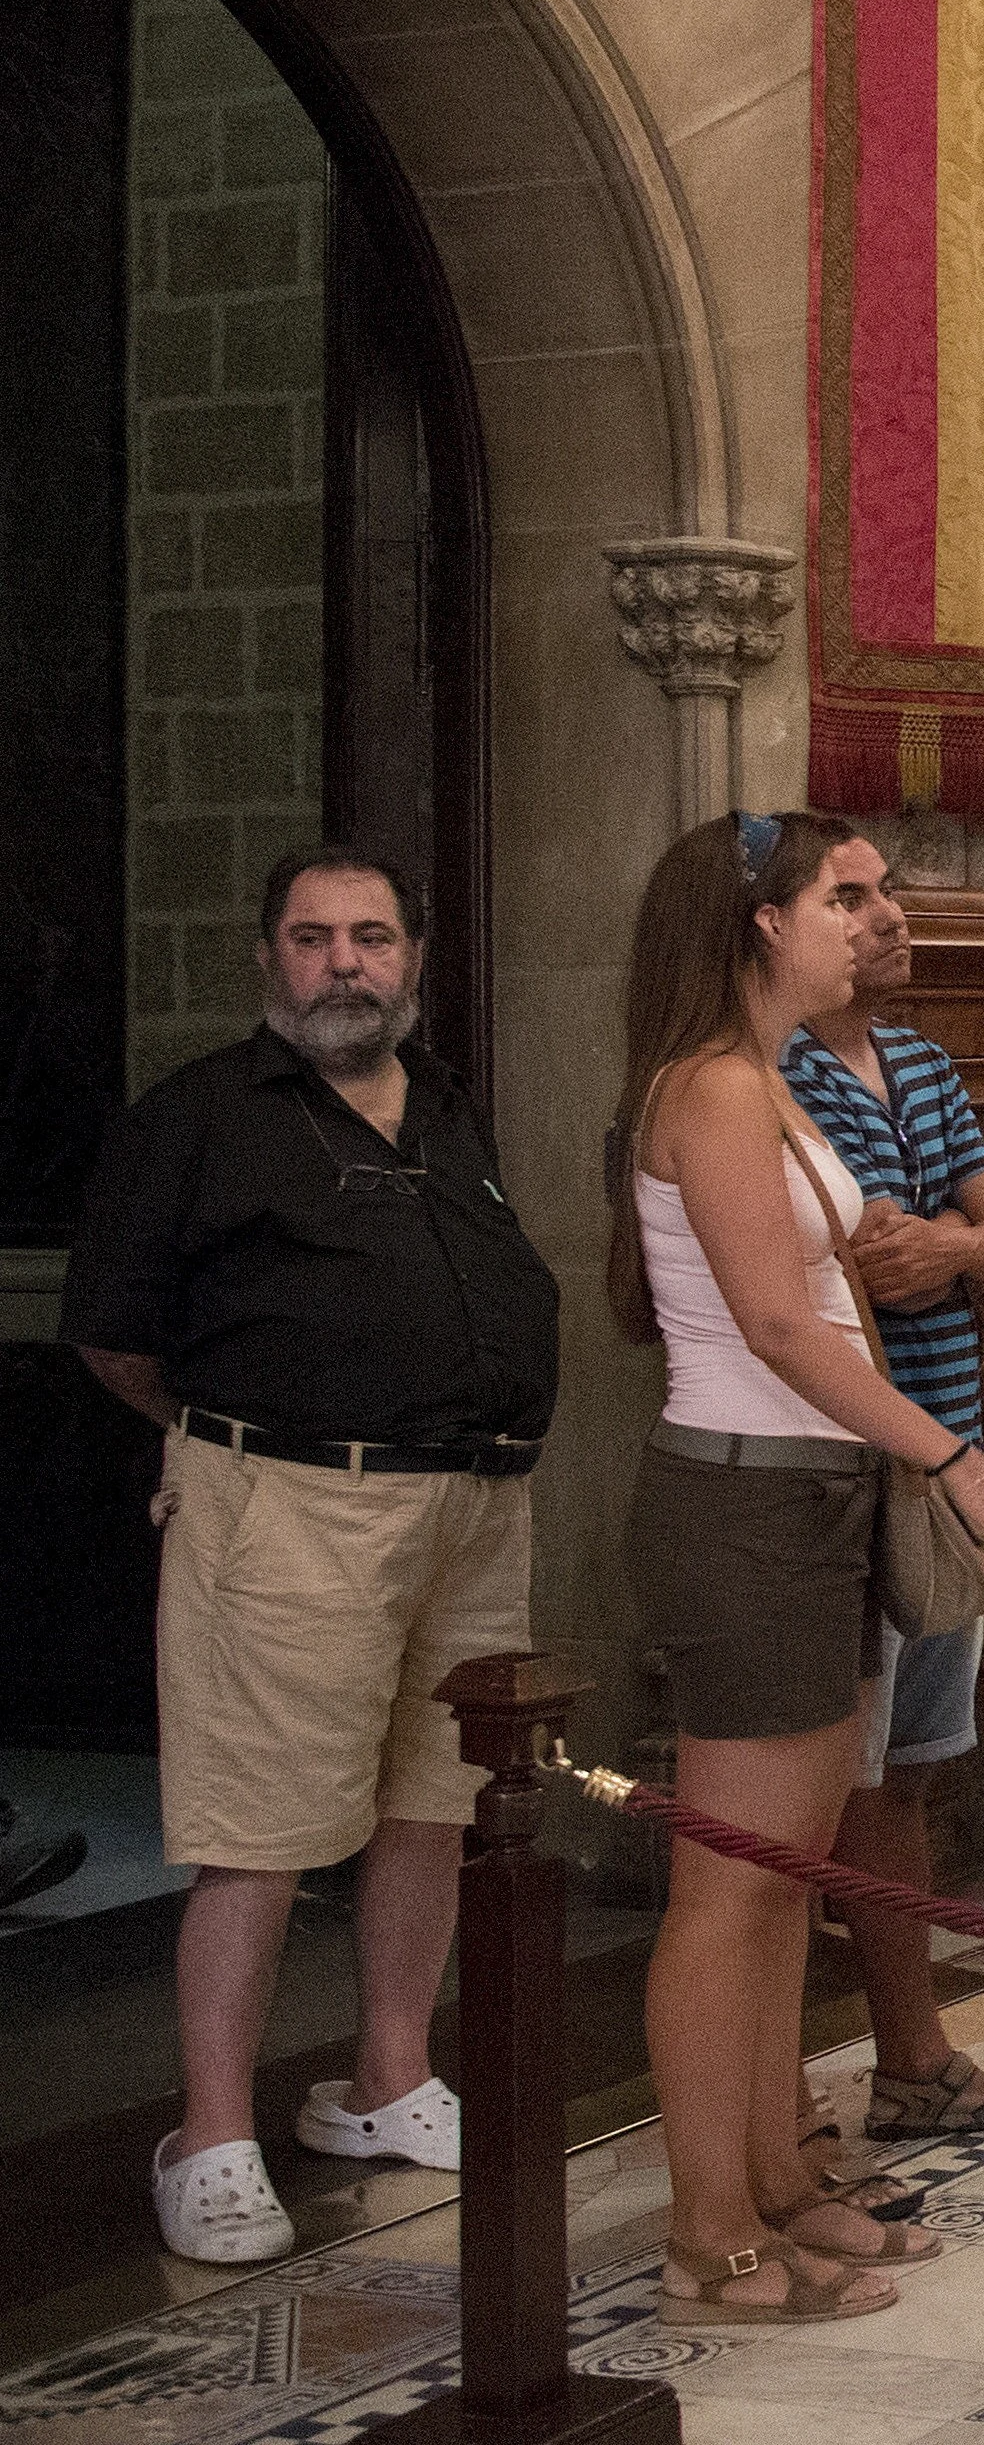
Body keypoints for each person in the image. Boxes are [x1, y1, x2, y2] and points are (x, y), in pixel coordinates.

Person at [69, 848, 558, 2267]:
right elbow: (112, 1331)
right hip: (287, 1509)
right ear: (266, 957)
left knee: (431, 1798)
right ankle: (210, 2134)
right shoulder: (202, 1117)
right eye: (311, 936)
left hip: (470, 1509)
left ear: (411, 953)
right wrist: (246, 1442)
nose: (344, 961)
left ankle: (387, 2079)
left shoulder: (451, 1109)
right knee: (261, 1828)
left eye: (371, 935)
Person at [612, 811, 984, 2323]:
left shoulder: (774, 1092)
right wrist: (954, 1454)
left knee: (788, 1881)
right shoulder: (712, 1092)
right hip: (745, 1503)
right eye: (826, 900)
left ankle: (781, 2175)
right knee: (727, 1890)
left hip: (811, 1496)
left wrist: (950, 1247)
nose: (853, 923)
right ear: (757, 924)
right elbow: (782, 1328)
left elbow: (864, 1260)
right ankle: (707, 2229)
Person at [777, 845, 984, 2160]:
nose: (891, 916)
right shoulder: (762, 1074)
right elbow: (815, 1264)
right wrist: (893, 1255)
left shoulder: (922, 1060)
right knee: (827, 1779)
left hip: (949, 1459)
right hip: (844, 1468)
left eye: (886, 890)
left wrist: (950, 1244)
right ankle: (784, 2101)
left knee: (905, 1773)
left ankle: (910, 2058)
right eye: (854, 896)